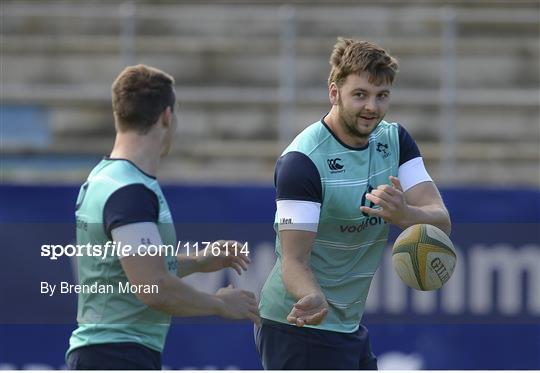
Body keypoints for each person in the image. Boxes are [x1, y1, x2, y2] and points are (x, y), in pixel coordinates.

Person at [256, 37, 451, 370]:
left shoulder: (395, 141)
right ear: (334, 93)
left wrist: (406, 214)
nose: (372, 107)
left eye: (381, 96)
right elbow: (293, 260)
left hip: (348, 325)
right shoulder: (302, 161)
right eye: (360, 95)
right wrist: (312, 296)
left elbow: (441, 222)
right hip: (297, 324)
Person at [66, 64, 260, 370]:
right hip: (117, 356)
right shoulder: (129, 190)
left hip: (107, 353)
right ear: (167, 116)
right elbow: (152, 286)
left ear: (119, 114)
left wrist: (199, 262)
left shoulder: (106, 177)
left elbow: (128, 271)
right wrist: (220, 304)